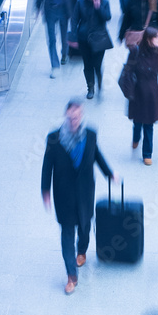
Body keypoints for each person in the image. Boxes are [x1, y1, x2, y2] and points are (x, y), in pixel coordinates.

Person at [41, 99, 116, 295]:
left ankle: (81, 250)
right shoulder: (54, 138)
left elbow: (97, 155)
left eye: (77, 116)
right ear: (66, 116)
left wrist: (110, 174)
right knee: (67, 233)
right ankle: (71, 275)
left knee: (84, 225)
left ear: (81, 116)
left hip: (85, 192)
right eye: (71, 117)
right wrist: (45, 190)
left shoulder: (90, 135)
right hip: (64, 194)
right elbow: (47, 165)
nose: (74, 120)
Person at [126, 27, 158, 165]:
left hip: (151, 93)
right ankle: (136, 138)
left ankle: (147, 154)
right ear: (149, 39)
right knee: (138, 121)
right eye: (157, 37)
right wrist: (129, 89)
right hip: (137, 92)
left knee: (149, 125)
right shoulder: (135, 52)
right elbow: (128, 70)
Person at [35, 0, 78, 78]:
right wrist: (38, 7)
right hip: (50, 10)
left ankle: (64, 53)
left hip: (64, 9)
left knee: (64, 35)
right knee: (52, 38)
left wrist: (75, 10)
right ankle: (55, 65)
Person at [70, 0, 111, 99]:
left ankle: (99, 83)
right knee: (87, 65)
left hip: (99, 39)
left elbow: (107, 17)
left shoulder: (104, 2)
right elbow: (74, 19)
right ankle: (90, 88)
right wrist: (73, 36)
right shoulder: (81, 2)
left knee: (97, 65)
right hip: (84, 38)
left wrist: (98, 7)